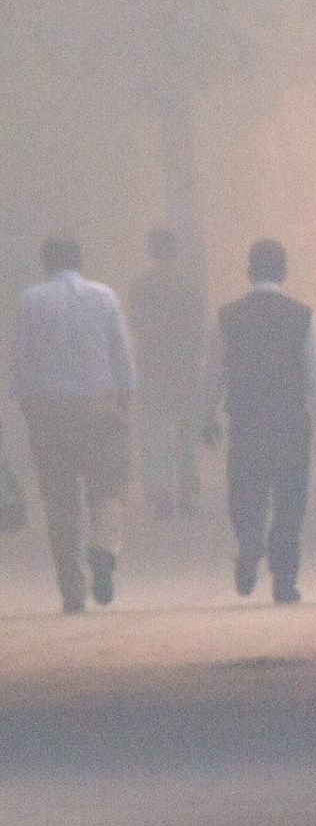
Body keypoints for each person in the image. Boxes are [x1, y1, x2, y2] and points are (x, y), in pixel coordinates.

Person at [201, 239, 316, 605]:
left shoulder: (225, 318)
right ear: (283, 272)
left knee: (245, 492)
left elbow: (213, 373)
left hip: (245, 423)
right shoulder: (302, 317)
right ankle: (284, 579)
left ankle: (249, 541)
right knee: (290, 500)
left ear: (249, 271)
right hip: (290, 422)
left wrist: (207, 417)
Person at [10, 235, 137, 612]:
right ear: (80, 260)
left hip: (49, 413)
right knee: (109, 486)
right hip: (100, 408)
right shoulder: (104, 297)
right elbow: (121, 352)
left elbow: (20, 359)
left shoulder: (30, 301)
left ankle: (71, 588)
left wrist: (25, 404)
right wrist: (126, 396)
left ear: (45, 262)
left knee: (60, 501)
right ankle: (103, 547)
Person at [124, 227, 206, 518]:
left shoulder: (141, 287)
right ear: (177, 250)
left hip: (152, 366)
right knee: (186, 431)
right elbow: (199, 330)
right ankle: (189, 491)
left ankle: (159, 491)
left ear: (151, 251)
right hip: (184, 367)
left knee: (155, 430)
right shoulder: (189, 286)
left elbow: (135, 326)